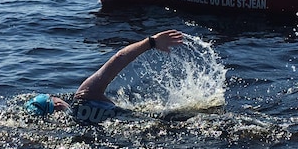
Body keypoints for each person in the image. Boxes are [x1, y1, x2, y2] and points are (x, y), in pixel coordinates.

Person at [25, 30, 184, 124]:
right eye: (52, 97)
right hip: (157, 120)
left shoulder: (73, 124)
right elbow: (119, 58)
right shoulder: (85, 97)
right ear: (57, 105)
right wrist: (151, 42)